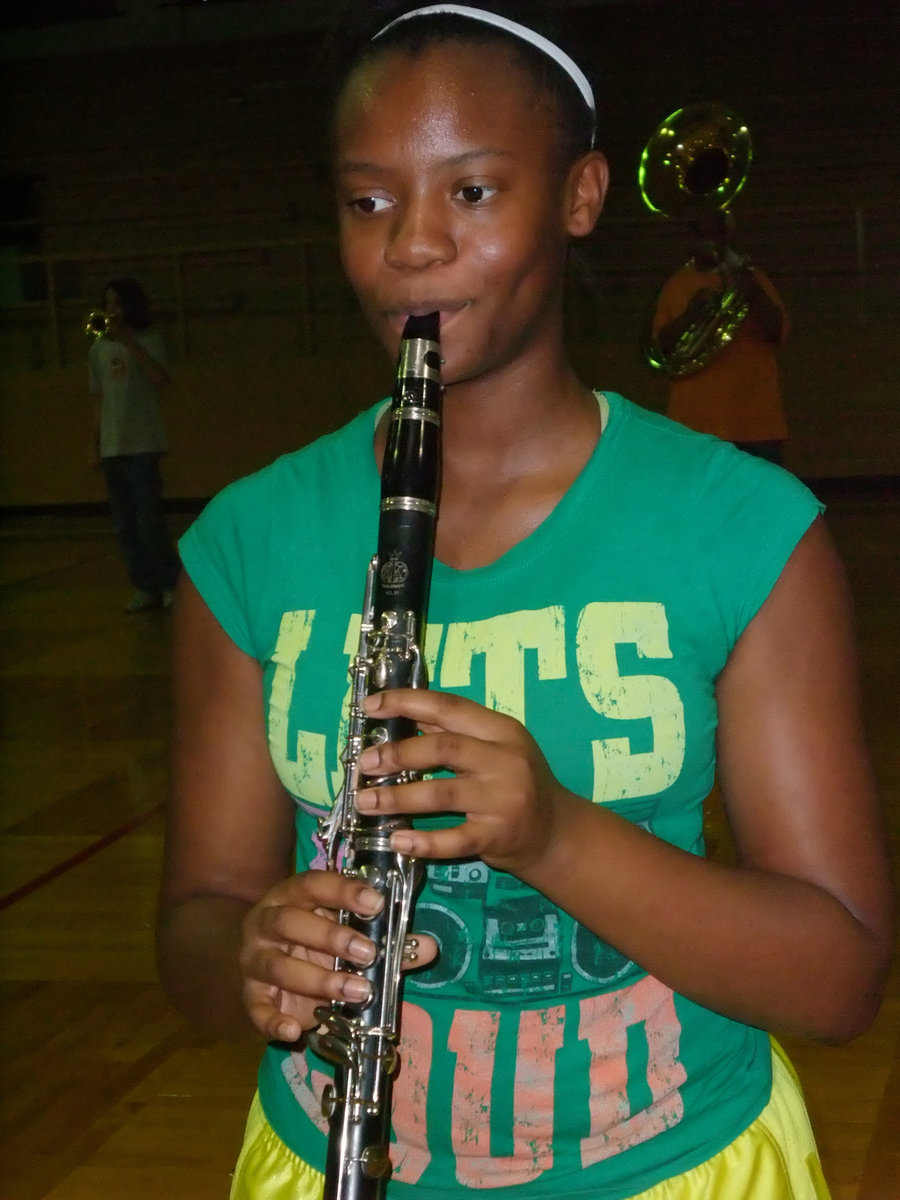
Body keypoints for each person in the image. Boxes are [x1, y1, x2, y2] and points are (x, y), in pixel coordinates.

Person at [155, 5, 894, 1199]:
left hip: (675, 1166)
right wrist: (249, 955)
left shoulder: (745, 530)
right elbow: (195, 923)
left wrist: (553, 833)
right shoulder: (249, 539)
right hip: (318, 1157)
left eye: (474, 192)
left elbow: (840, 977)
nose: (410, 248)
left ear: (582, 195)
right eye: (368, 201)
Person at [650, 210, 791, 464]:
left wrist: (753, 292)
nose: (711, 242)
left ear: (728, 235)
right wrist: (690, 315)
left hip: (756, 427)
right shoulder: (677, 284)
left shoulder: (753, 278)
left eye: (717, 233)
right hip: (693, 428)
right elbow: (661, 351)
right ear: (690, 239)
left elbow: (776, 331)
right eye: (703, 235)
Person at [89, 276, 180, 611]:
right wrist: (93, 444)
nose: (112, 310)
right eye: (107, 303)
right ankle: (145, 585)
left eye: (118, 303)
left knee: (148, 519)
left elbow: (159, 378)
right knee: (123, 523)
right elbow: (98, 400)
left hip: (143, 442)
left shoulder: (149, 340)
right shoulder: (98, 349)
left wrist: (128, 341)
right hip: (113, 446)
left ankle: (170, 582)